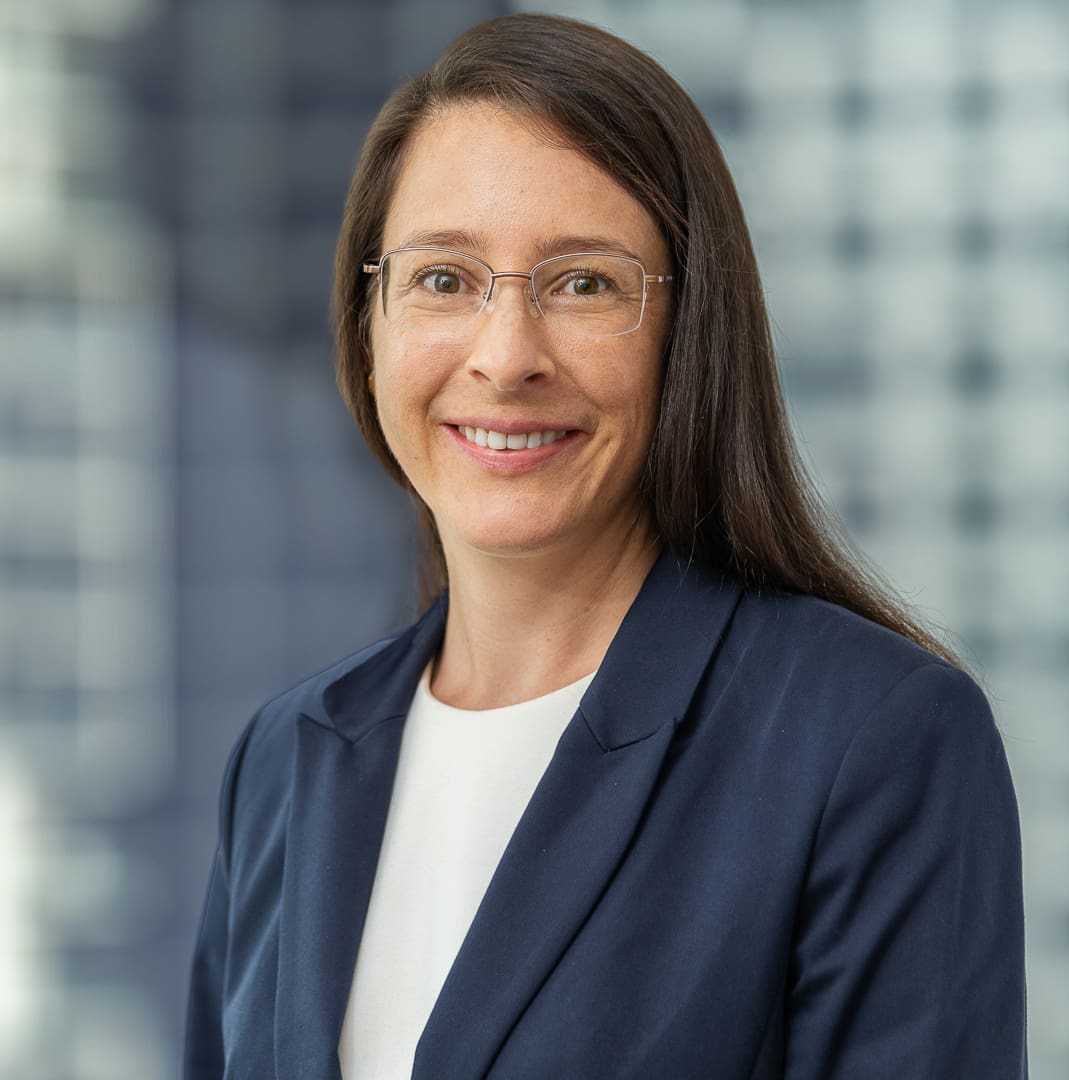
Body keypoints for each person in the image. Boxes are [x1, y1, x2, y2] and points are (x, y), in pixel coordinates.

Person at [184, 13, 1026, 1079]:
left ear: (689, 333)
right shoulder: (285, 758)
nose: (505, 357)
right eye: (443, 278)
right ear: (369, 324)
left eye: (585, 283)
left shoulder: (871, 742)